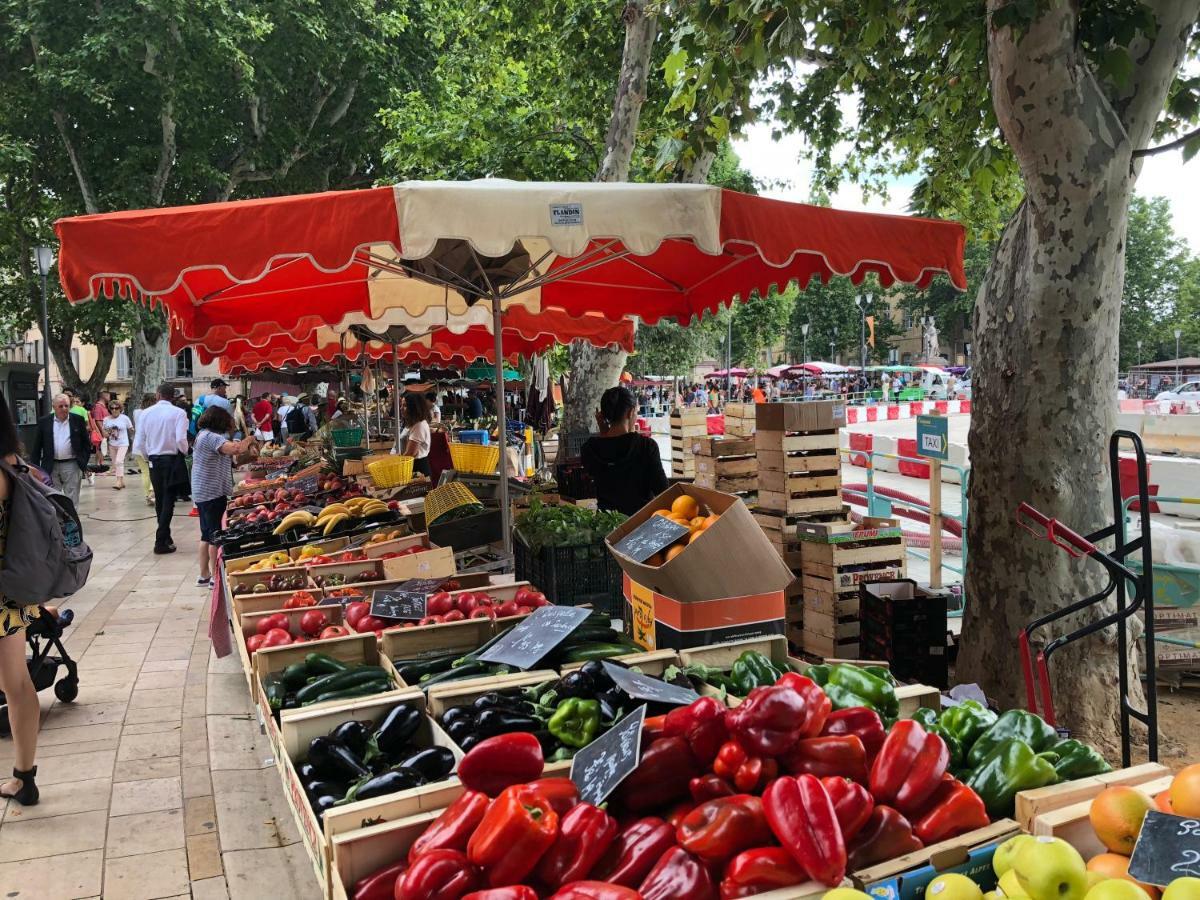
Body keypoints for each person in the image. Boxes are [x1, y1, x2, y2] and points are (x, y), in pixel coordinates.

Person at [0, 392, 47, 805]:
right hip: (12, 594)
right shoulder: (16, 466)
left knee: (14, 685)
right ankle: (23, 776)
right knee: (18, 685)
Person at [192, 406, 256, 587]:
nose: (231, 423)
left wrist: (250, 457)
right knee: (215, 535)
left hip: (205, 491)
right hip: (211, 492)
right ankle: (214, 577)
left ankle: (204, 575)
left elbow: (233, 461)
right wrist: (249, 439)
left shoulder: (205, 436)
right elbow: (235, 449)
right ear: (220, 420)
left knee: (206, 535)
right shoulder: (210, 437)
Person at [582, 387, 668, 516]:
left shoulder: (589, 448)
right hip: (640, 524)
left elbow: (609, 450)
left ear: (602, 415)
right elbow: (662, 490)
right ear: (630, 412)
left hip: (607, 524)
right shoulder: (646, 446)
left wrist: (604, 432)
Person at [133, 383, 189, 554]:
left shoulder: (146, 413)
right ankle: (160, 539)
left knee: (160, 498)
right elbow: (181, 439)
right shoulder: (179, 413)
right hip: (171, 459)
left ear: (158, 395)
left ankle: (165, 536)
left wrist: (148, 456)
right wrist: (186, 451)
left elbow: (140, 440)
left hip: (154, 459)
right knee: (169, 500)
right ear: (173, 397)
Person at [32, 394, 91, 507]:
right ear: (54, 407)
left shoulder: (77, 420)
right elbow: (37, 447)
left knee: (72, 498)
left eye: (66, 406)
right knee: (53, 497)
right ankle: (58, 523)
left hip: (72, 465)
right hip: (51, 465)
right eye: (61, 406)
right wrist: (36, 469)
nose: (64, 409)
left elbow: (86, 444)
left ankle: (72, 522)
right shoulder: (44, 422)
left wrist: (83, 461)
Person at [102, 398, 134, 490]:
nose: (114, 410)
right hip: (112, 444)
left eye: (116, 408)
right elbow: (104, 434)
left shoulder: (125, 418)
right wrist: (107, 433)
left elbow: (131, 429)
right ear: (109, 409)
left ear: (120, 408)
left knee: (119, 461)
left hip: (123, 443)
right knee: (115, 463)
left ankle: (118, 482)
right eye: (112, 408)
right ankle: (121, 481)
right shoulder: (106, 419)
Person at [132, 394, 157, 506]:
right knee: (154, 470)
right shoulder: (154, 413)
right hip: (151, 445)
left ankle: (148, 495)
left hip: (137, 445)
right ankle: (152, 492)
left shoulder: (136, 412)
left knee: (144, 472)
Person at [401, 392, 433, 477]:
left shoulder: (419, 426)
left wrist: (397, 464)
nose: (401, 408)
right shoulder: (412, 424)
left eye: (405, 406)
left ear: (414, 407)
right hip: (412, 466)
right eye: (402, 405)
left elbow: (411, 453)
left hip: (417, 468)